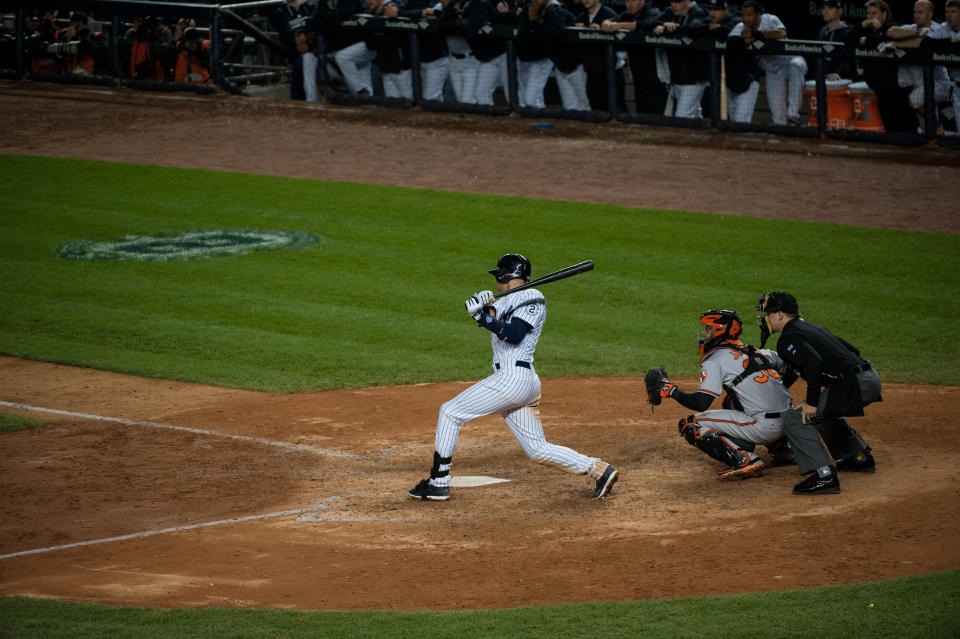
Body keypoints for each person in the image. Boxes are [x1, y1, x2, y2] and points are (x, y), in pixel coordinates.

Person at [408, 254, 619, 501]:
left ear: (504, 275)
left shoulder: (533, 298)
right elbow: (495, 318)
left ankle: (438, 482)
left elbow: (514, 334)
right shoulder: (509, 299)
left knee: (449, 412)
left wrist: (481, 317)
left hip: (513, 380)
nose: (496, 281)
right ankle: (599, 469)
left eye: (497, 276)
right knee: (537, 449)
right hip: (520, 382)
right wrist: (484, 306)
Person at [756, 292, 881, 495]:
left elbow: (813, 363)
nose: (766, 319)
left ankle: (824, 475)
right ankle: (858, 457)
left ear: (779, 315)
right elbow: (852, 349)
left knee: (797, 418)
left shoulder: (789, 336)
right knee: (824, 411)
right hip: (869, 377)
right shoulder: (810, 327)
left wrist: (812, 402)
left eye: (768, 314)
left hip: (854, 384)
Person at [654, 310, 794, 480]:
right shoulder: (757, 352)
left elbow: (701, 403)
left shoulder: (715, 359)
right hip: (790, 422)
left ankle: (744, 459)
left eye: (708, 329)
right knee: (730, 402)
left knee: (690, 425)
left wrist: (672, 391)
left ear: (719, 331)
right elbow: (791, 366)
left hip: (764, 428)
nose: (704, 334)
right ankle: (783, 448)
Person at [729, 0, 808, 126]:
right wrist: (744, 39)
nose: (745, 18)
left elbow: (781, 34)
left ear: (759, 14)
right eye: (743, 15)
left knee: (796, 66)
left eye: (749, 15)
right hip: (773, 70)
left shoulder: (770, 19)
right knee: (779, 120)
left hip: (790, 60)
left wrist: (755, 34)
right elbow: (731, 41)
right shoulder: (741, 27)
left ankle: (793, 115)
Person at [843, 0, 916, 132]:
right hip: (879, 87)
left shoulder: (892, 25)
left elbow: (886, 39)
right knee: (889, 125)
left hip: (896, 87)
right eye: (868, 13)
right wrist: (862, 24)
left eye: (874, 13)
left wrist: (866, 40)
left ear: (884, 14)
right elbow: (847, 39)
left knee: (904, 124)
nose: (871, 17)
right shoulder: (865, 29)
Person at [886, 0, 952, 131]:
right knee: (925, 128)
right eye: (915, 12)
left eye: (920, 12)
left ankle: (938, 127)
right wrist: (916, 33)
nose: (916, 15)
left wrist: (899, 44)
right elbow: (891, 32)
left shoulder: (938, 29)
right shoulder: (911, 28)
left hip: (939, 84)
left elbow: (921, 42)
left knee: (915, 98)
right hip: (920, 86)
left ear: (930, 14)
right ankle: (938, 134)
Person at [600, 0, 668, 115]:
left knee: (658, 116)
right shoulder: (627, 15)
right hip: (637, 73)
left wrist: (619, 25)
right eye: (627, 1)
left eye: (633, 1)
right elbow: (610, 21)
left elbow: (646, 24)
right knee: (641, 114)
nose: (629, 4)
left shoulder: (653, 11)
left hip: (657, 76)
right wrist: (607, 23)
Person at [648, 0, 710, 119]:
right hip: (675, 76)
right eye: (672, 2)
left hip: (693, 78)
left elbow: (691, 29)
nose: (674, 5)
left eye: (678, 2)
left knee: (682, 117)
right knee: (693, 116)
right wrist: (663, 24)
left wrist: (667, 29)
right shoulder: (669, 13)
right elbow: (647, 22)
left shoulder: (697, 13)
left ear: (687, 1)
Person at [527, 0, 591, 110]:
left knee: (585, 105)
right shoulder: (543, 11)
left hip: (576, 66)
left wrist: (534, 21)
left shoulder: (554, 9)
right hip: (561, 65)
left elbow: (552, 36)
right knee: (571, 107)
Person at [575, 0, 622, 112]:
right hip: (591, 69)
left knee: (615, 109)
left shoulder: (609, 14)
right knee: (595, 107)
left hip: (609, 71)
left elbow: (621, 37)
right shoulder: (582, 15)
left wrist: (603, 30)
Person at [272, 0, 319, 99]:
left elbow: (317, 25)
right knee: (300, 64)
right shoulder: (280, 12)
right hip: (296, 50)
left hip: (316, 46)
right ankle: (299, 99)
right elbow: (286, 36)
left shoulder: (310, 5)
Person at [818, 0, 853, 81]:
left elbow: (849, 59)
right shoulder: (822, 31)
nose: (825, 11)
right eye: (823, 8)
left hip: (843, 78)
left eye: (830, 8)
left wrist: (838, 73)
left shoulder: (848, 31)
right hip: (824, 76)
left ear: (839, 11)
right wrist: (825, 74)